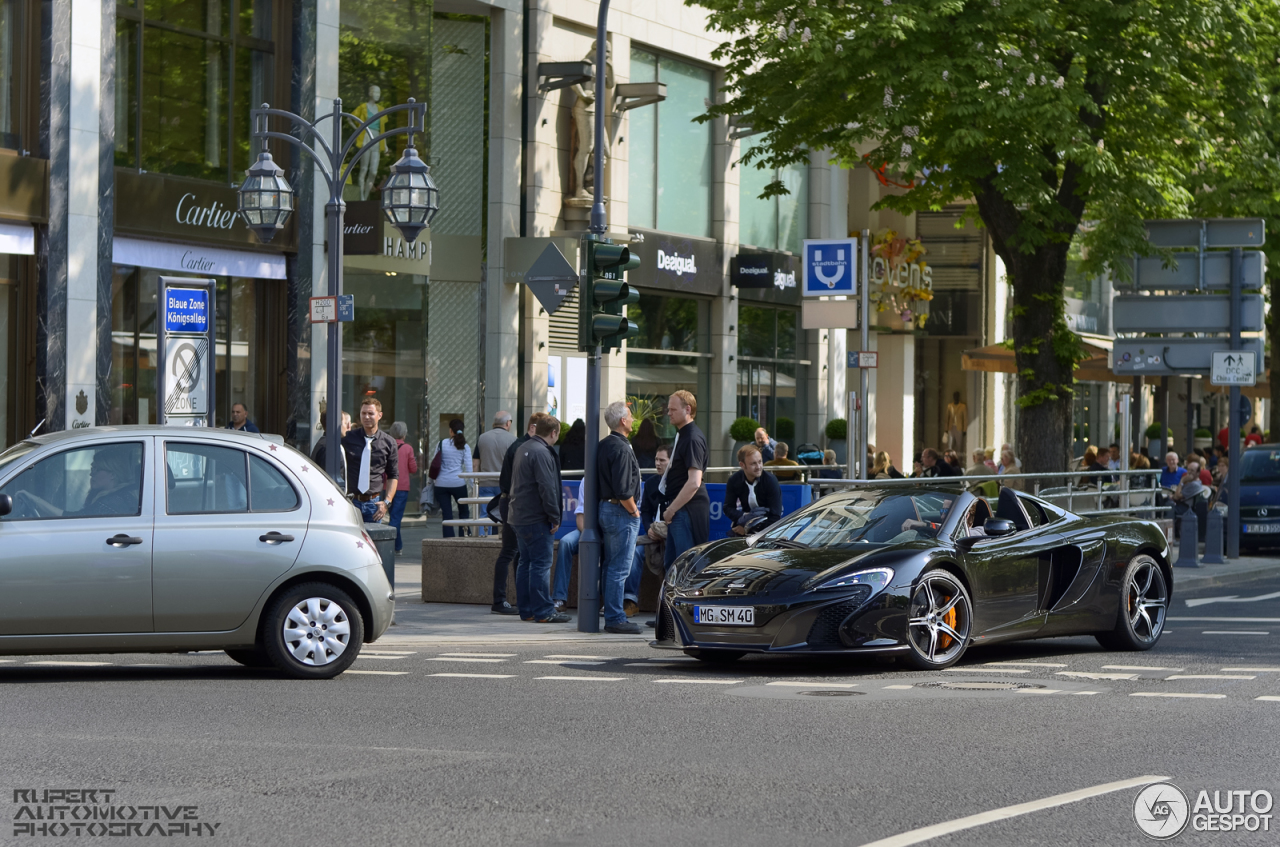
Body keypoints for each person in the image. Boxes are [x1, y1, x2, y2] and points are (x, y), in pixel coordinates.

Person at [508, 414, 570, 623]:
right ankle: (544, 611)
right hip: (536, 517)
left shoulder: (523, 448)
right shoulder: (542, 452)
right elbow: (547, 487)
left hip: (519, 516)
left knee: (526, 562)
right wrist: (554, 517)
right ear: (553, 433)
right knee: (541, 564)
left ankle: (527, 610)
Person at [491, 413, 550, 615]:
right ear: (533, 427)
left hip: (511, 501)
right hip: (516, 504)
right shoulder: (525, 448)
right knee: (512, 552)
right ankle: (502, 600)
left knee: (519, 554)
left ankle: (519, 602)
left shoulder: (521, 446)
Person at [597, 401, 643, 634]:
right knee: (619, 568)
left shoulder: (605, 444)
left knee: (610, 566)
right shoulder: (622, 448)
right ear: (623, 421)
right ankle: (615, 617)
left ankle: (611, 613)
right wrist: (634, 511)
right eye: (631, 416)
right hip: (620, 512)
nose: (633, 419)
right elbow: (624, 489)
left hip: (608, 509)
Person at [660, 390, 709, 569]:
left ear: (687, 409)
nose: (668, 413)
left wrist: (671, 510)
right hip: (681, 509)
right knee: (673, 567)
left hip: (685, 510)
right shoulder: (684, 434)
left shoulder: (692, 438)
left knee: (684, 568)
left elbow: (694, 482)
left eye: (673, 409)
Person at [341, 398, 399, 524]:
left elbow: (393, 475)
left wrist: (386, 502)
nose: (366, 417)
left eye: (371, 413)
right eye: (363, 413)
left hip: (374, 504)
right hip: (351, 501)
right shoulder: (348, 438)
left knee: (373, 542)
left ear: (379, 415)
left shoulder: (388, 442)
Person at [725, 443, 783, 536]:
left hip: (768, 529)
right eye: (753, 463)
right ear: (742, 465)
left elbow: (775, 516)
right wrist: (744, 518)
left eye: (760, 462)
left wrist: (750, 528)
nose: (758, 467)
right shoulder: (734, 480)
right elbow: (728, 507)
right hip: (743, 526)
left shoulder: (770, 480)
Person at [475, 411, 516, 535]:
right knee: (504, 514)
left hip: (485, 482)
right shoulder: (513, 440)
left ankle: (482, 539)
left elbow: (475, 463)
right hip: (504, 484)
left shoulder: (482, 438)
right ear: (508, 423)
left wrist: (475, 481)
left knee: (484, 514)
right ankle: (501, 539)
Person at [430, 419, 473, 538]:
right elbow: (469, 470)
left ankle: (448, 540)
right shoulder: (465, 447)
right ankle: (463, 537)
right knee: (464, 512)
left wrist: (432, 481)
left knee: (447, 514)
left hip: (441, 484)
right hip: (458, 483)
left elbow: (434, 463)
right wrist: (473, 486)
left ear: (450, 431)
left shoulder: (441, 443)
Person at [552, 480, 584, 613]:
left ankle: (608, 601)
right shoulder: (586, 479)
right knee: (565, 543)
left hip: (608, 529)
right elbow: (580, 515)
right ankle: (559, 598)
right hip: (586, 529)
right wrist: (590, 537)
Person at [386, 421, 418, 554]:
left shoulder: (386, 445)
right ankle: (393, 546)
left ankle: (397, 546)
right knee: (395, 518)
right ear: (404, 434)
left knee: (393, 516)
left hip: (386, 486)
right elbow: (413, 469)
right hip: (402, 486)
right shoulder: (408, 448)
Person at [312, 411, 352, 490]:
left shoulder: (327, 444)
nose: (347, 427)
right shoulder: (328, 447)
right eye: (344, 423)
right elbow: (327, 481)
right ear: (336, 425)